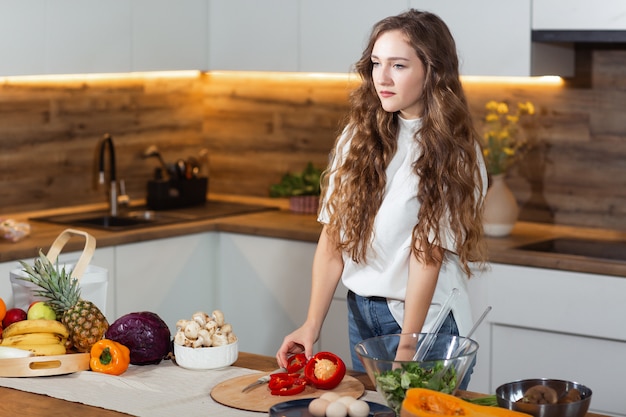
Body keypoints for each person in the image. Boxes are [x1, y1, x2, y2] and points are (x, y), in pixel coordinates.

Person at [276, 9, 487, 390]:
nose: (382, 78)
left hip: (424, 325)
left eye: (399, 65)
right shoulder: (360, 135)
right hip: (362, 312)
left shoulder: (454, 152)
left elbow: (428, 255)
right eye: (376, 63)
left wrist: (408, 345)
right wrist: (312, 323)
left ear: (432, 71)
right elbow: (333, 237)